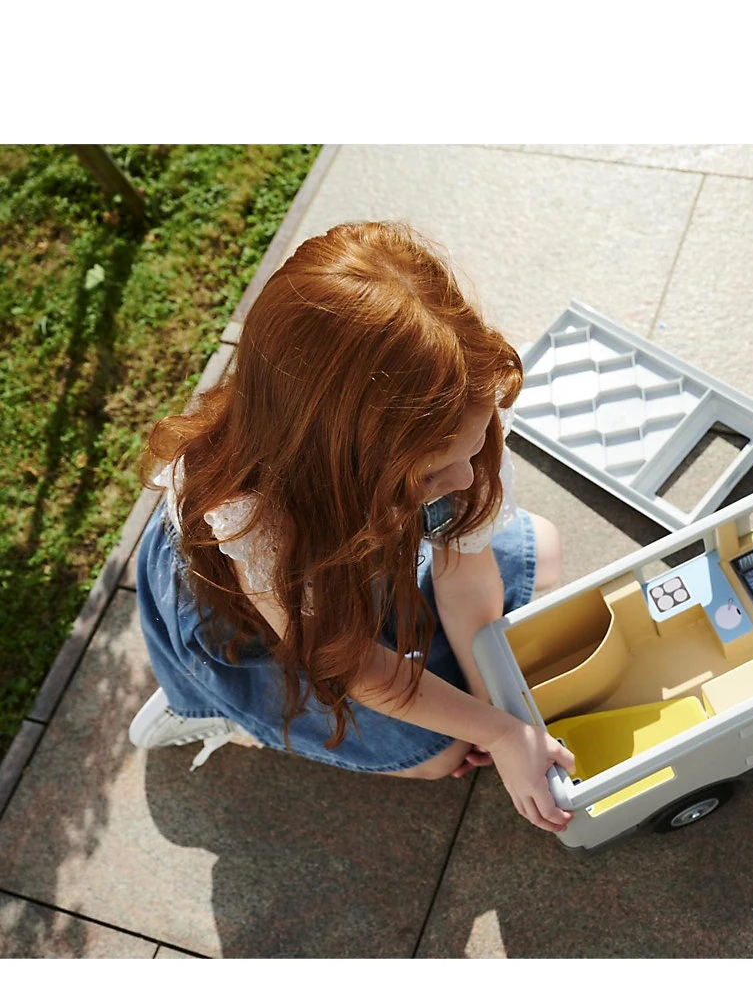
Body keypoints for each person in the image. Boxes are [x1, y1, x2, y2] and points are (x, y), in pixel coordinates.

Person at [128, 221, 576, 833]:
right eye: (433, 474)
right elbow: (352, 665)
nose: (468, 478)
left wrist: (499, 714)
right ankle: (215, 705)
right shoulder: (250, 514)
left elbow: (467, 580)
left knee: (540, 552)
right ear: (337, 465)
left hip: (362, 566)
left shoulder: (460, 405)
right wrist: (493, 733)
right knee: (437, 752)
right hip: (254, 619)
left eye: (473, 451)